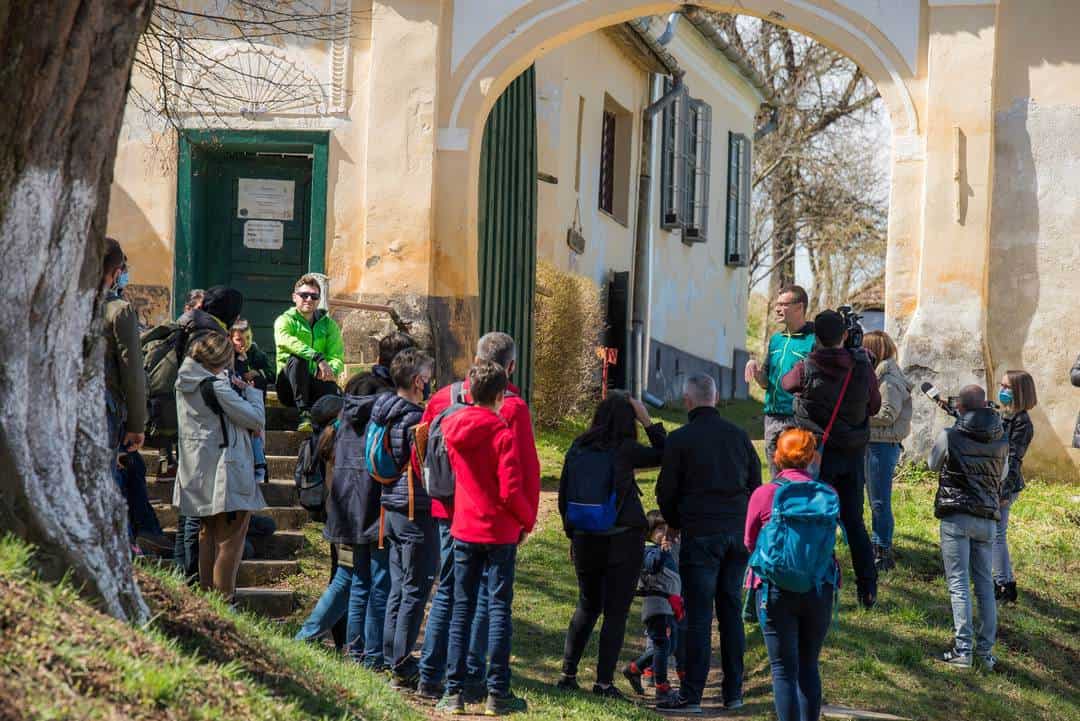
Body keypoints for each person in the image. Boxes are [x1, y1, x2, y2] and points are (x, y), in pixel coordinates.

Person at [418, 332, 541, 701]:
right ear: (510, 368)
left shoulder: (443, 401)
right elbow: (521, 473)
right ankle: (478, 678)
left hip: (452, 513)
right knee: (491, 601)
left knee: (450, 596)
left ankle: (433, 677)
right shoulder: (511, 410)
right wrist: (526, 519)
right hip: (496, 522)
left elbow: (421, 446)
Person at [655, 374, 760, 713]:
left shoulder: (680, 439)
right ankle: (733, 692)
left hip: (701, 532)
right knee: (730, 611)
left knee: (699, 616)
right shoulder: (739, 436)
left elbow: (666, 491)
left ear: (688, 401)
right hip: (736, 533)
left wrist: (674, 522)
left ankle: (692, 694)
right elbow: (755, 482)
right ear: (714, 399)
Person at [556, 392, 666, 699]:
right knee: (615, 612)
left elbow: (565, 495)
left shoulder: (578, 447)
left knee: (587, 605)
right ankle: (603, 683)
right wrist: (647, 420)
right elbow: (665, 452)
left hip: (585, 537)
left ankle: (567, 673)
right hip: (624, 538)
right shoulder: (626, 450)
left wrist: (573, 535)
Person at [782, 310, 881, 609]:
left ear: (816, 338)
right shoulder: (861, 366)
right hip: (851, 457)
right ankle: (868, 590)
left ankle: (808, 583)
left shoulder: (808, 366)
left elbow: (786, 384)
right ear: (844, 336)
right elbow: (874, 406)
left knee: (812, 518)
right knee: (854, 523)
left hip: (816, 456)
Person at [746, 428, 839, 721]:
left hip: (774, 589)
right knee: (808, 665)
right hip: (818, 587)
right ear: (812, 458)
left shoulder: (764, 495)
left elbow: (750, 542)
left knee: (783, 670)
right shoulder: (828, 494)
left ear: (777, 457)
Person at [296, 375, 389, 667]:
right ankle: (362, 651)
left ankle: (308, 637)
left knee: (345, 580)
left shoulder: (337, 429)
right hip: (367, 521)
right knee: (365, 583)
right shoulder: (371, 430)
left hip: (341, 522)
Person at [174, 333, 266, 601]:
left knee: (207, 536)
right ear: (223, 359)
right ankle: (224, 601)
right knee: (230, 541)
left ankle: (207, 600)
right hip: (228, 470)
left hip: (199, 470)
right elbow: (256, 418)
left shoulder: (185, 381)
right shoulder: (217, 387)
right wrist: (250, 391)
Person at [928, 385, 1008, 670]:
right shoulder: (1003, 439)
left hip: (956, 515)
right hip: (987, 518)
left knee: (959, 583)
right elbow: (1004, 474)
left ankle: (963, 650)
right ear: (986, 405)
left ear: (960, 408)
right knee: (985, 584)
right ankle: (985, 654)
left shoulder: (950, 435)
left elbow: (932, 464)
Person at [172, 285, 244, 579]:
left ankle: (184, 574)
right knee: (196, 514)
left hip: (188, 421)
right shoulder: (209, 335)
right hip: (203, 430)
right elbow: (216, 387)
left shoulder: (191, 323)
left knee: (191, 510)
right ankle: (190, 577)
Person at [376, 348, 436, 688]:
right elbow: (425, 467)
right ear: (417, 381)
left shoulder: (383, 411)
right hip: (415, 508)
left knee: (398, 586)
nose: (428, 385)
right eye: (427, 379)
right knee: (415, 587)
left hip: (392, 506)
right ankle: (400, 662)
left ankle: (390, 654)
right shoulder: (415, 419)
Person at [744, 285, 816, 477]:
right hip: (772, 418)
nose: (777, 309)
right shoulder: (776, 340)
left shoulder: (813, 339)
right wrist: (756, 370)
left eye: (783, 304)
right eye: (777, 304)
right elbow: (766, 383)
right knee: (776, 478)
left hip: (797, 418)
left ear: (799, 307)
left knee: (798, 475)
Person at [863, 330, 913, 572]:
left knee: (879, 501)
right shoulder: (879, 375)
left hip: (881, 446)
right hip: (872, 443)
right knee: (872, 499)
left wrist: (857, 416)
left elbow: (886, 414)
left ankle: (882, 550)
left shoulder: (889, 379)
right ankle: (873, 545)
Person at [623, 511, 684, 703]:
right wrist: (661, 551)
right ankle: (661, 686)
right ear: (649, 533)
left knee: (670, 645)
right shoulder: (649, 550)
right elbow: (652, 566)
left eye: (666, 528)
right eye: (659, 529)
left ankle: (634, 669)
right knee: (661, 644)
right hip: (656, 605)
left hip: (668, 606)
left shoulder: (665, 549)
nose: (664, 532)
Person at [274, 274, 344, 432]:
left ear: (318, 300)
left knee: (335, 392)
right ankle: (304, 412)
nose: (309, 299)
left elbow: (336, 356)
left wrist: (330, 371)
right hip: (289, 387)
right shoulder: (284, 320)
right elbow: (288, 342)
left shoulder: (329, 325)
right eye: (304, 295)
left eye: (314, 296)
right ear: (294, 297)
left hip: (314, 383)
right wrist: (317, 357)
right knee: (298, 359)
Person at [993, 370, 1036, 604]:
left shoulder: (1022, 423)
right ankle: (1006, 583)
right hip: (998, 482)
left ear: (1020, 392)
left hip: (1007, 486)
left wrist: (1004, 493)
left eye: (1007, 387)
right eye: (1002, 386)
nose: (1003, 391)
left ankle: (1002, 585)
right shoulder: (1005, 415)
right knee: (996, 535)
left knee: (997, 536)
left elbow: (1014, 460)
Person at [231, 319, 273, 483]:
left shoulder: (255, 352)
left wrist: (257, 372)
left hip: (255, 402)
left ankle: (261, 469)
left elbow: (271, 373)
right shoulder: (230, 356)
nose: (245, 343)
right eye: (239, 339)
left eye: (248, 338)